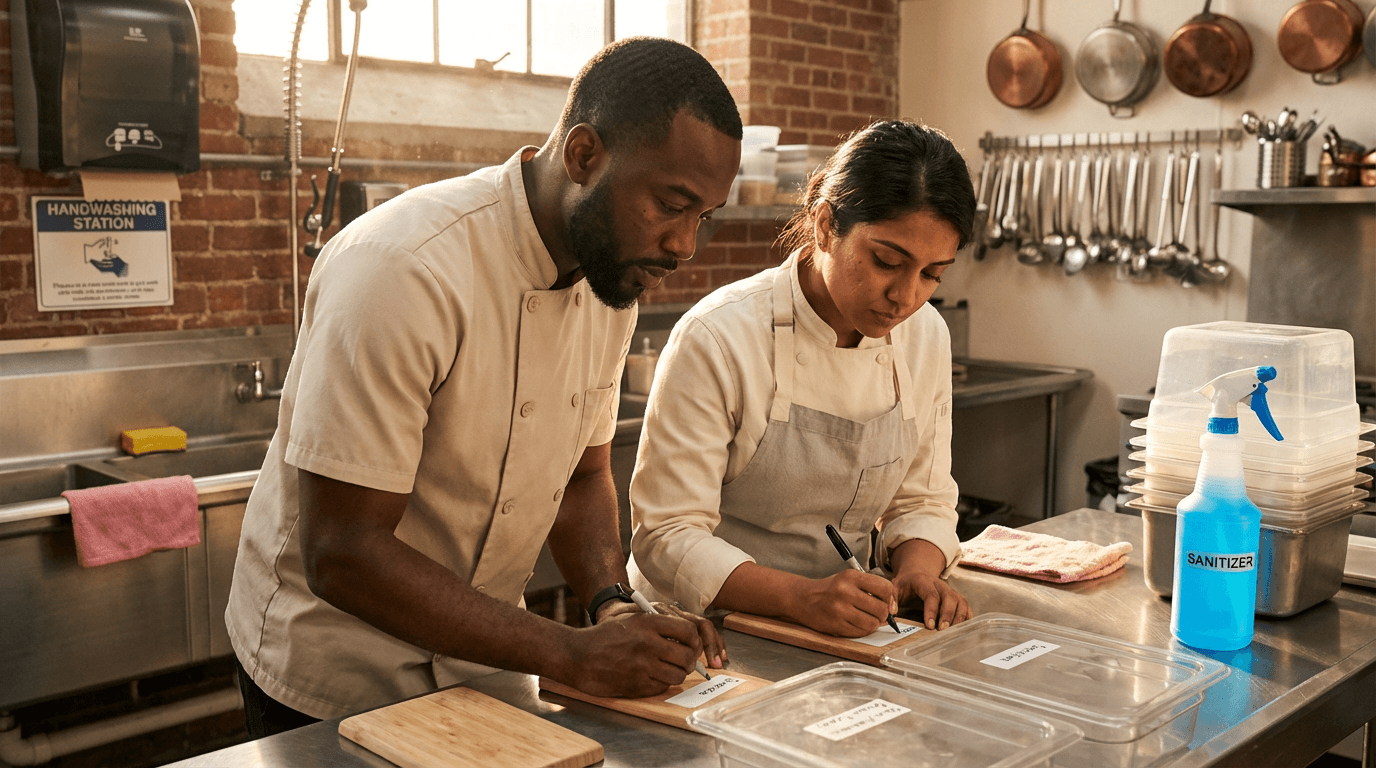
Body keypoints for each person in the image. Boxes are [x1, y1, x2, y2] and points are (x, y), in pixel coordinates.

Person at [225, 37, 742, 736]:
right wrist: (566, 651)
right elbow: (342, 550)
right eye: (670, 204)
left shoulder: (609, 274)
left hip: (485, 663)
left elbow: (583, 477)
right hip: (334, 675)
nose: (684, 244)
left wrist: (611, 603)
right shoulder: (403, 269)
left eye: (703, 217)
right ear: (584, 155)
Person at [627, 120, 975, 639]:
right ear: (825, 226)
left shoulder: (925, 336)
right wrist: (800, 597)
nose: (905, 297)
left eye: (932, 274)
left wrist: (917, 572)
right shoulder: (720, 337)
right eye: (887, 261)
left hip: (846, 626)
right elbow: (667, 534)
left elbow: (922, 499)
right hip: (704, 632)